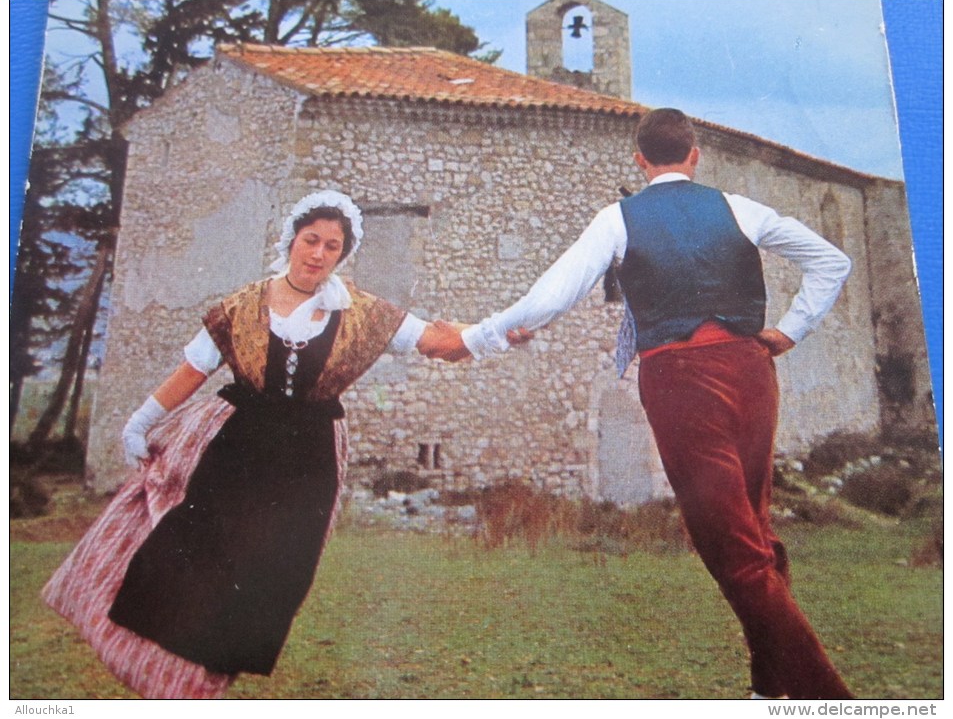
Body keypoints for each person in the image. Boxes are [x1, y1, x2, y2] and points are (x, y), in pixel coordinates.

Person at [427, 108, 854, 700]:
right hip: (751, 371)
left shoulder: (617, 218)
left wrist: (477, 338)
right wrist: (789, 331)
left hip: (679, 378)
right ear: (695, 155)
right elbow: (832, 261)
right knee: (754, 534)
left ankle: (830, 701)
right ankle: (768, 691)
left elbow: (553, 295)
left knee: (730, 546)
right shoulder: (740, 208)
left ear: (639, 160)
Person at [42, 190, 455, 699]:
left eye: (332, 246)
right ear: (292, 240)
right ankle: (161, 680)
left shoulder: (360, 312)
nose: (318, 254)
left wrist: (496, 333)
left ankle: (201, 687)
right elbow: (193, 369)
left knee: (271, 578)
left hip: (307, 463)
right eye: (311, 240)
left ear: (342, 254)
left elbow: (436, 341)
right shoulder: (242, 306)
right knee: (191, 557)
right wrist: (139, 424)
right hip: (236, 451)